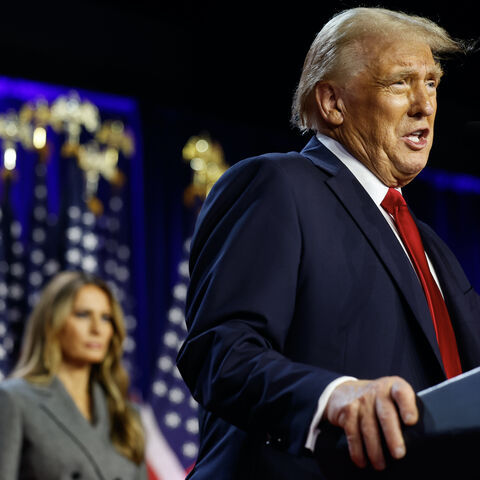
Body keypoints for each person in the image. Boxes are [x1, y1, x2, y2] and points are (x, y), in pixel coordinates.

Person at [176, 6, 480, 480]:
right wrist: (333, 396)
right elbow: (221, 351)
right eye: (400, 83)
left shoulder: (430, 247)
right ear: (333, 103)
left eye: (432, 83)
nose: (425, 105)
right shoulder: (277, 184)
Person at [0, 270, 148, 480]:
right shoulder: (13, 400)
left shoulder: (126, 414)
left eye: (106, 318)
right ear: (53, 322)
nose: (97, 329)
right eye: (83, 314)